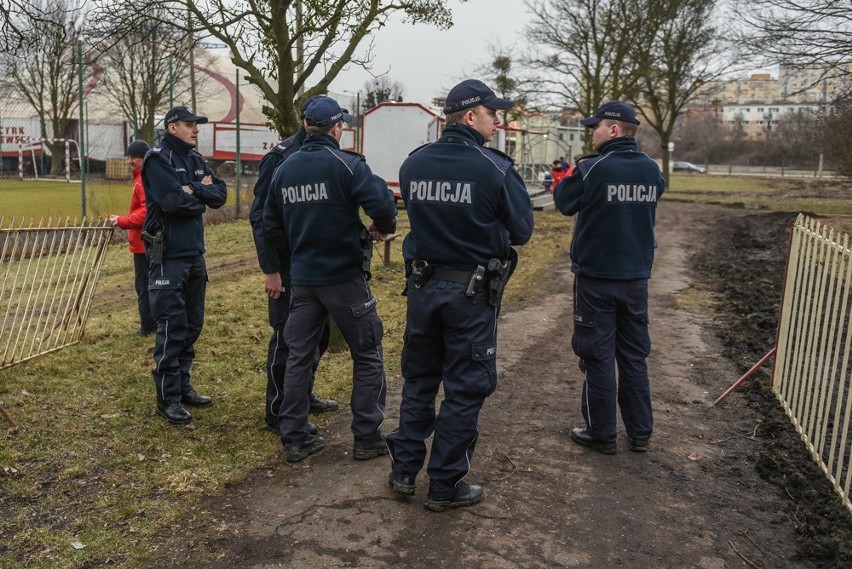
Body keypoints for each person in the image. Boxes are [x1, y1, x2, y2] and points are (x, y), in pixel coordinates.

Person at [386, 79, 534, 512]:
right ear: (471, 117)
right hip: (469, 293)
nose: (498, 120)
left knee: (419, 380)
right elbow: (522, 230)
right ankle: (445, 486)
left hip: (423, 288)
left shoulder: (414, 164)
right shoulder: (495, 167)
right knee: (466, 388)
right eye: (493, 113)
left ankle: (403, 471)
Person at [263, 96, 397, 463]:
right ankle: (367, 437)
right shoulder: (348, 164)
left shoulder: (284, 169)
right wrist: (381, 229)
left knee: (298, 357)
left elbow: (271, 224)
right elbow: (384, 205)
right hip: (344, 278)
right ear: (337, 128)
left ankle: (294, 437)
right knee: (368, 352)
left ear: (305, 126)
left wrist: (297, 248)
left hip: (303, 280)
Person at [553, 100, 665, 454]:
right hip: (636, 278)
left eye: (595, 127)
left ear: (614, 129)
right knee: (633, 355)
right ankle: (640, 431)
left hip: (596, 279)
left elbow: (563, 201)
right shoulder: (651, 170)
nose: (592, 133)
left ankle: (601, 432)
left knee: (597, 355)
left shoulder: (592, 168)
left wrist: (574, 170)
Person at [249, 96, 338, 435]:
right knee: (287, 338)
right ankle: (277, 409)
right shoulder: (281, 158)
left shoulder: (326, 155)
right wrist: (271, 269)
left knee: (319, 335)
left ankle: (301, 395)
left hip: (315, 263)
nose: (336, 130)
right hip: (286, 265)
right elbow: (260, 217)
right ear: (307, 123)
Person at [142, 106, 227, 425]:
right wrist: (193, 196)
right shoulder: (157, 159)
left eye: (197, 125)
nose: (196, 130)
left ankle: (183, 385)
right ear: (172, 127)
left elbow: (220, 196)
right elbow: (172, 202)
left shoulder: (195, 159)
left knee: (193, 324)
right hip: (168, 257)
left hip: (194, 253)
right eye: (190, 125)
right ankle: (168, 397)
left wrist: (197, 190)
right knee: (172, 327)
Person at [110, 139, 155, 336]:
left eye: (134, 157)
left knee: (144, 285)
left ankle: (148, 327)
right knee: (147, 284)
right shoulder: (141, 178)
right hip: (143, 243)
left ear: (144, 158)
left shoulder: (143, 180)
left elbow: (147, 212)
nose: (130, 160)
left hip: (144, 244)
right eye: (129, 157)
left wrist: (122, 221)